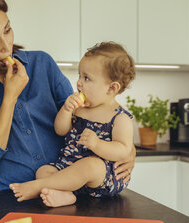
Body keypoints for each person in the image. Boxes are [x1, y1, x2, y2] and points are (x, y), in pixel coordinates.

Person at [0, 0, 135, 193]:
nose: (6, 46)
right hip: (11, 196)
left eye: (7, 30)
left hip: (67, 191)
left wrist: (127, 149)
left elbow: (84, 118)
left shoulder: (42, 64)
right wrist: (9, 97)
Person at [10, 42, 135, 207]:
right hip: (68, 168)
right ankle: (67, 195)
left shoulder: (120, 118)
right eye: (80, 76)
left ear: (111, 88)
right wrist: (66, 110)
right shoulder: (80, 109)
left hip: (102, 177)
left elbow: (123, 150)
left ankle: (37, 187)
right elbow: (61, 130)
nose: (79, 83)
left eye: (87, 78)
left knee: (90, 165)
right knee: (43, 171)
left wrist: (97, 144)